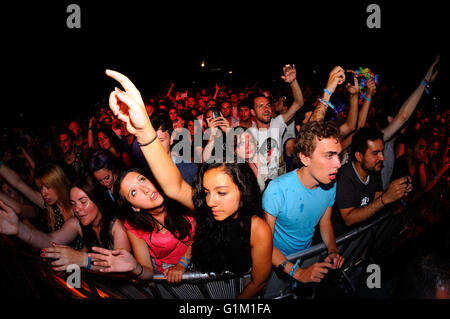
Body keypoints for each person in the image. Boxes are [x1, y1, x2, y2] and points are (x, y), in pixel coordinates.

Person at [90, 70, 272, 298]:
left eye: (221, 192)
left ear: (242, 191)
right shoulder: (207, 208)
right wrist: (144, 131)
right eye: (206, 192)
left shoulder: (258, 229)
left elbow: (258, 282)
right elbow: (173, 186)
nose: (210, 200)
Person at [263, 121, 344, 284]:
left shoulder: (330, 184)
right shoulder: (277, 191)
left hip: (306, 257)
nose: (338, 163)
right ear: (305, 158)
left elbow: (325, 222)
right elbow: (264, 245)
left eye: (338, 155)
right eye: (329, 155)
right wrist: (297, 272)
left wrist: (333, 249)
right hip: (276, 265)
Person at [0, 175, 130, 271]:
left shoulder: (117, 225)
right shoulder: (76, 223)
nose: (77, 209)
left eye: (83, 202)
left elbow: (122, 266)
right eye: (73, 204)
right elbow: (49, 240)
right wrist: (19, 229)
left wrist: (83, 259)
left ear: (98, 199)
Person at [332, 127, 413, 236]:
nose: (382, 158)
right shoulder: (344, 177)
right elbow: (349, 219)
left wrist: (397, 191)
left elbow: (377, 200)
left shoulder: (374, 170)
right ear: (359, 156)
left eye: (382, 151)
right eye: (375, 153)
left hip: (362, 236)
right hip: (341, 241)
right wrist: (385, 198)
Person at [0, 162, 85, 250]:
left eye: (47, 187)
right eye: (41, 188)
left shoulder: (77, 203)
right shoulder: (51, 207)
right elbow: (18, 183)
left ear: (58, 183)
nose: (43, 193)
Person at [247, 64, 304, 187]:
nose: (266, 109)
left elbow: (299, 103)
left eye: (267, 105)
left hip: (278, 182)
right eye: (260, 106)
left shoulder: (277, 123)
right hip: (257, 184)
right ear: (252, 112)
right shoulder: (248, 134)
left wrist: (293, 82)